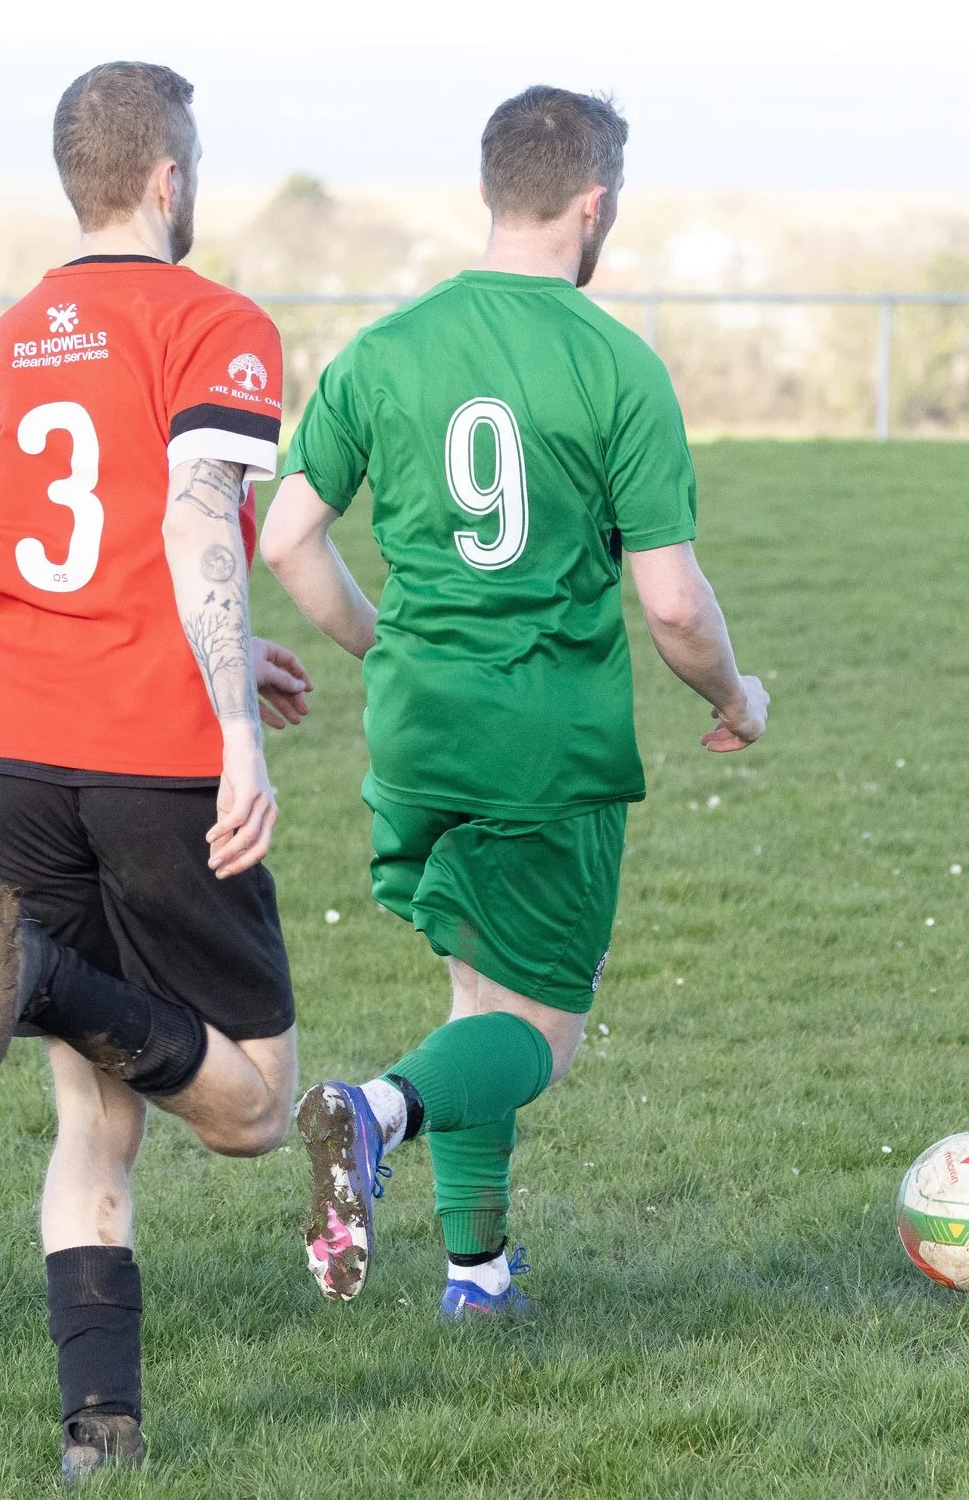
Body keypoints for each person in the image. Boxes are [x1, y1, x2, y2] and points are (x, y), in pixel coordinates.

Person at [261, 86, 768, 1318]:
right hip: (544, 745)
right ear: (594, 204)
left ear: (496, 192)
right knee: (537, 1033)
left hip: (417, 735)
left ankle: (478, 1279)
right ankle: (375, 1113)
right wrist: (735, 693)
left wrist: (384, 644)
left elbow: (287, 540)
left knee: (474, 992)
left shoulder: (384, 349)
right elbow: (674, 608)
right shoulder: (616, 365)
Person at [0, 61, 317, 1483]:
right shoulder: (215, 321)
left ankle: (101, 1433)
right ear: (169, 176)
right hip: (150, 752)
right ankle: (38, 978)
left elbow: (20, 542)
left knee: (94, 1113)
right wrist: (236, 728)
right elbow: (201, 516)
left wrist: (234, 652)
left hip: (6, 749)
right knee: (258, 1106)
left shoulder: (8, 338)